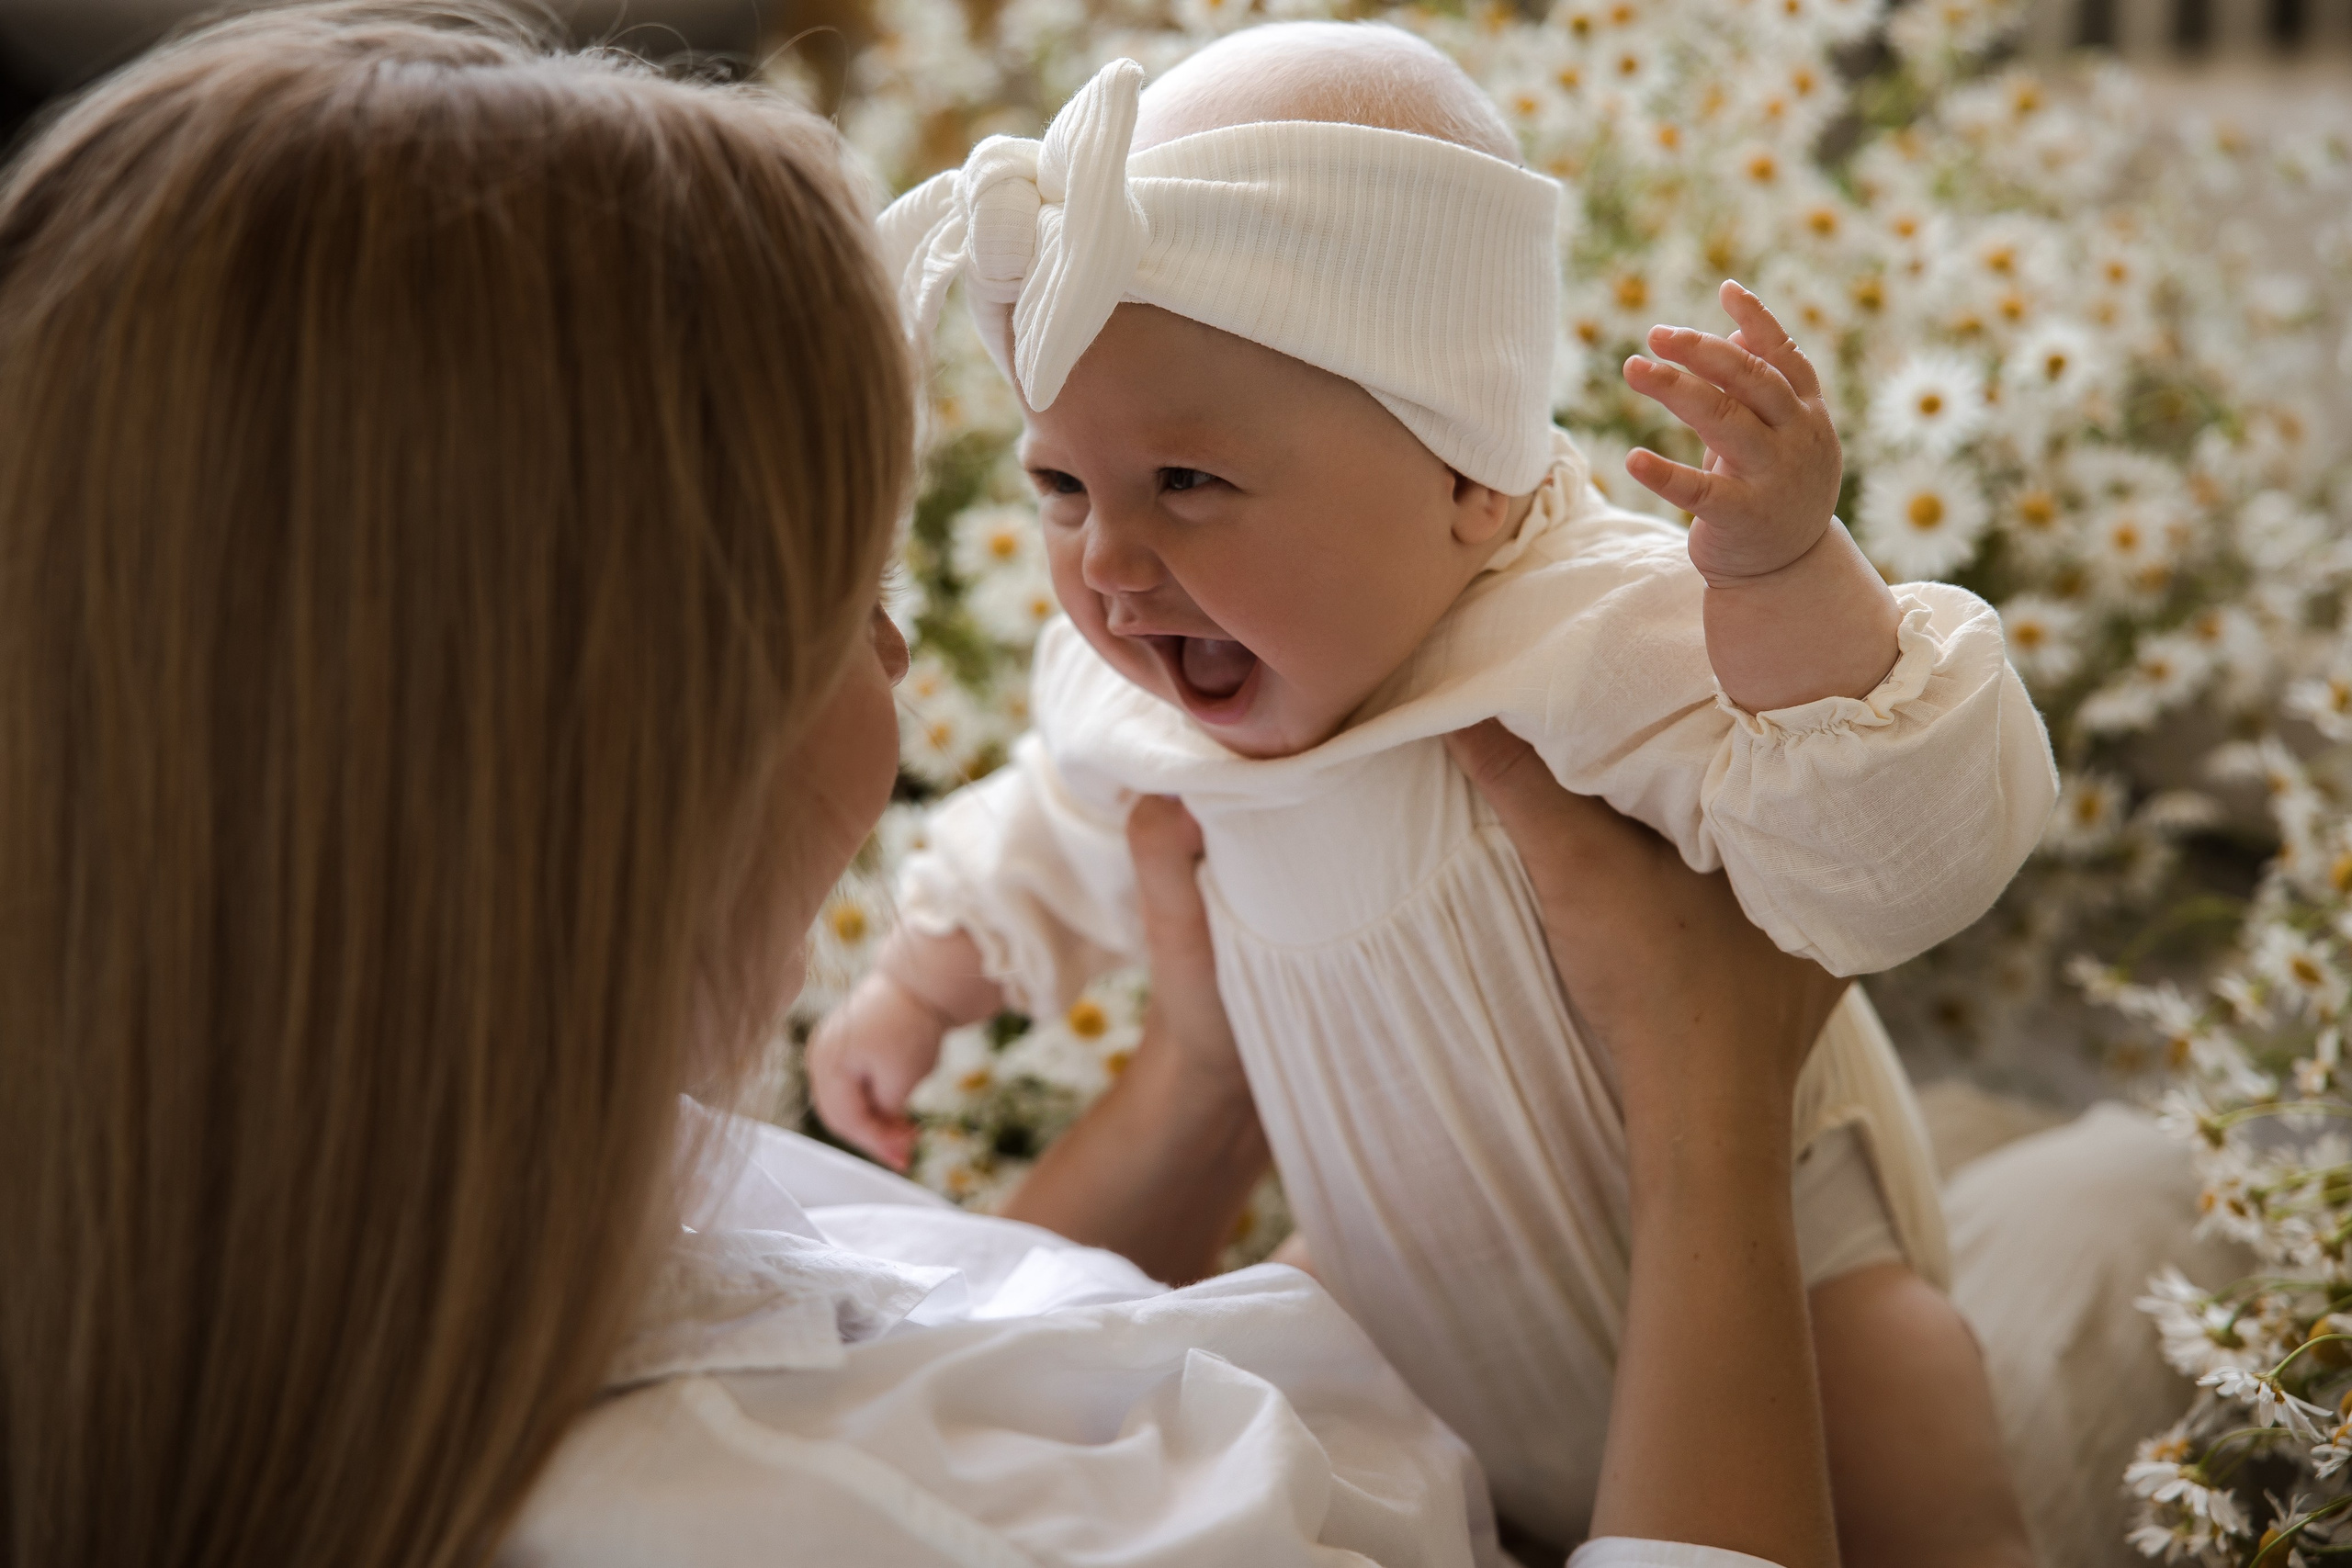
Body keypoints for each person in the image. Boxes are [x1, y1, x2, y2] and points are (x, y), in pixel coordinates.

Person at [0, 6, 1855, 1565]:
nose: (909, 652)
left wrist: (1200, 1079)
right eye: (856, 582)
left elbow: (963, 1324)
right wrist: (1707, 1110)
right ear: (628, 741)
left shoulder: (430, 1180)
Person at [807, 21, 2049, 1558]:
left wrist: (1790, 581)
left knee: (1906, 1404)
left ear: (1470, 479)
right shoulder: (1153, 718)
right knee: (1271, 1371)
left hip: (1772, 1271)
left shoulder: (1586, 632)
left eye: (1187, 481)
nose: (1109, 565)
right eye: (1060, 487)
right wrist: (920, 991)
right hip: (1411, 1289)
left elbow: (1886, 847)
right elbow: (1047, 838)